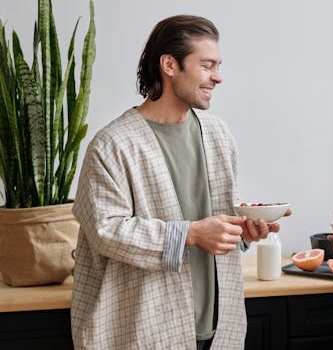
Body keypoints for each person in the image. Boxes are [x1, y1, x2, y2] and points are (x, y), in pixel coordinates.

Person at [70, 15, 285, 350]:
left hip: (216, 327)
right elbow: (106, 232)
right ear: (170, 65)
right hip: (145, 331)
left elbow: (212, 218)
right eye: (207, 65)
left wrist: (242, 232)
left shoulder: (218, 134)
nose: (218, 76)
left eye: (218, 65)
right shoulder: (113, 144)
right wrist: (192, 233)